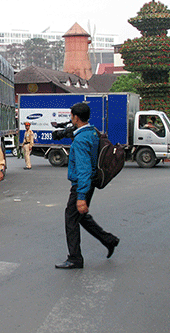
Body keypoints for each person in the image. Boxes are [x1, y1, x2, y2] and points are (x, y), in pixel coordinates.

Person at [55, 102, 120, 269]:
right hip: (89, 183)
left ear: (76, 118)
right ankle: (109, 240)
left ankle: (75, 258)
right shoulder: (92, 132)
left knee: (71, 218)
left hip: (82, 185)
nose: (71, 120)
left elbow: (83, 170)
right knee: (80, 217)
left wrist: (81, 196)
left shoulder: (81, 140)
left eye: (71, 117)